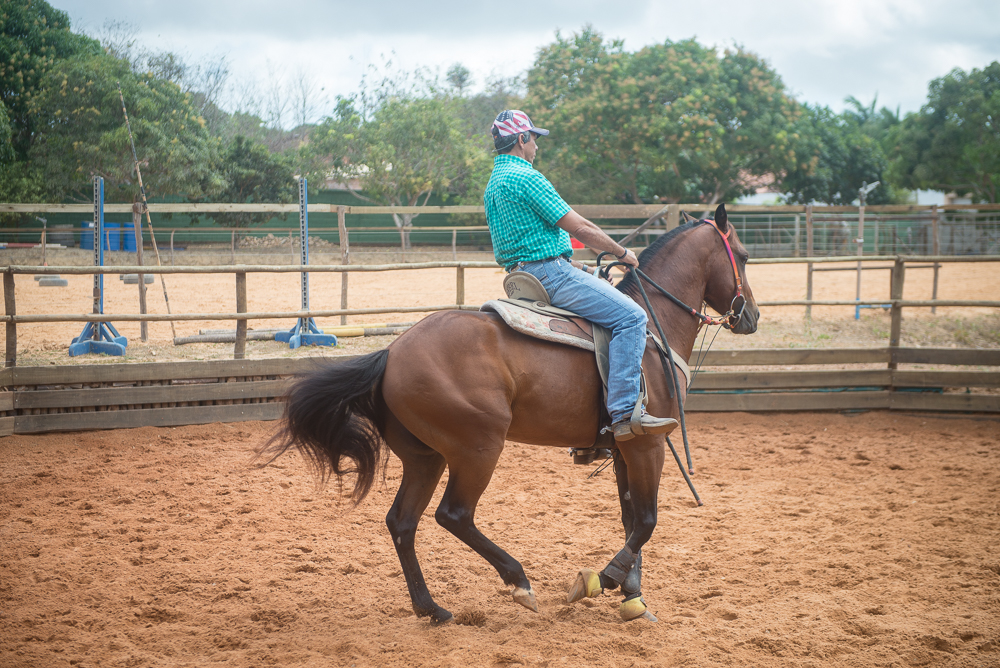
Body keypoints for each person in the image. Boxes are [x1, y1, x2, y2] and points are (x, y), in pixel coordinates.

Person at [483, 110, 677, 441]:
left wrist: (585, 268)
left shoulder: (493, 184)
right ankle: (624, 412)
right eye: (535, 139)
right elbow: (580, 227)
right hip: (550, 274)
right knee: (632, 317)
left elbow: (529, 245)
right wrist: (622, 253)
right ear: (521, 139)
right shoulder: (527, 177)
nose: (537, 147)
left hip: (523, 275)